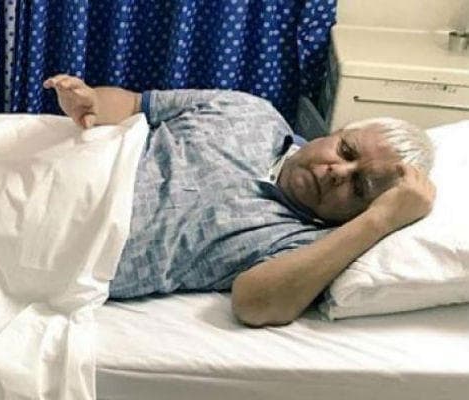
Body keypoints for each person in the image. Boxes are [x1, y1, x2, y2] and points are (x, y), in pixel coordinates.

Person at [43, 74, 436, 327]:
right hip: (49, 169)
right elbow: (133, 104)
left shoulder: (305, 244)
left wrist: (380, 221)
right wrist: (93, 102)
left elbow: (256, 304)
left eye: (360, 187)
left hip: (54, 249)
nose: (338, 172)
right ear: (334, 131)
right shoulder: (249, 112)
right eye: (346, 151)